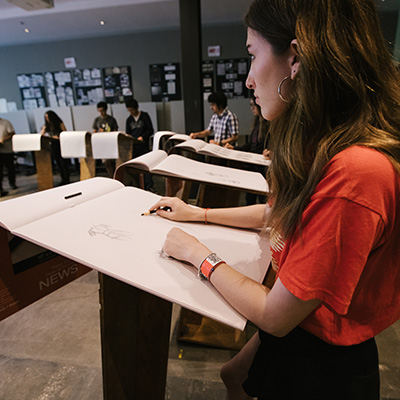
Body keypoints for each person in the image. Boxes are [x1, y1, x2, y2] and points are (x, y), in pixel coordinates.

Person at [147, 0, 400, 399]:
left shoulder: (356, 173)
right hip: (305, 335)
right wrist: (198, 212)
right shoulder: (322, 145)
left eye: (252, 55)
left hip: (324, 364)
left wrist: (197, 253)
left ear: (295, 58)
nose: (248, 80)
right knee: (234, 375)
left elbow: (275, 315)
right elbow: (276, 214)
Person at [225, 96, 270, 205]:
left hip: (262, 166)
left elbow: (268, 146)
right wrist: (234, 149)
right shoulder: (257, 123)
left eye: (253, 105)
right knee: (249, 197)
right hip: (253, 164)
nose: (251, 108)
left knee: (262, 198)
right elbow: (251, 145)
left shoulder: (269, 124)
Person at [125, 98, 155, 191]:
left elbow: (150, 130)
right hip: (134, 145)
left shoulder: (144, 116)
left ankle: (149, 186)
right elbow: (128, 132)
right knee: (135, 167)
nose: (131, 112)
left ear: (136, 108)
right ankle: (138, 186)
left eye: (132, 110)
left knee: (146, 166)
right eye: (129, 111)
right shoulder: (129, 119)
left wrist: (143, 136)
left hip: (143, 145)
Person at [40, 110, 70, 185]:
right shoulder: (46, 126)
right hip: (52, 145)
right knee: (58, 163)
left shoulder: (59, 123)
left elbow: (65, 134)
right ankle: (63, 178)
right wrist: (43, 129)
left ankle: (66, 178)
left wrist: (56, 137)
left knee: (63, 162)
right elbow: (41, 135)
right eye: (45, 118)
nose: (47, 119)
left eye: (48, 117)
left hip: (60, 144)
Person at [92, 101, 119, 178]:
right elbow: (94, 131)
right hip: (102, 143)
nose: (101, 113)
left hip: (111, 142)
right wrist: (98, 132)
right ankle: (112, 177)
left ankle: (115, 176)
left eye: (102, 110)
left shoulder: (111, 119)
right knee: (107, 162)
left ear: (106, 110)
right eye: (99, 111)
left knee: (113, 161)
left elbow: (115, 131)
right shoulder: (97, 120)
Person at [0, 117, 16, 196]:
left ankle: (12, 183)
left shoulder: (6, 122)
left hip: (7, 149)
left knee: (10, 167)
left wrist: (3, 139)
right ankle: (1, 189)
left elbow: (12, 133)